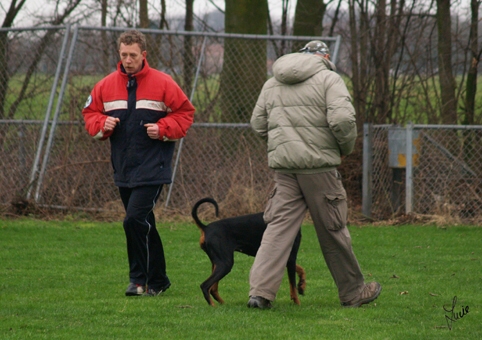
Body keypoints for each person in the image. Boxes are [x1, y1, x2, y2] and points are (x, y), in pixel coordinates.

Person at [247, 40, 381, 309]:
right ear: (325, 57)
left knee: (277, 230)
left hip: (285, 170)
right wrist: (345, 148)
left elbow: (258, 123)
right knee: (333, 229)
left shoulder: (273, 82)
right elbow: (342, 121)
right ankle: (354, 293)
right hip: (319, 168)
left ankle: (260, 294)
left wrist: (283, 145)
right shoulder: (329, 79)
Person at [82, 30, 195, 296]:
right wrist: (103, 124)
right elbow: (90, 114)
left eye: (133, 55)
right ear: (119, 54)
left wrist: (163, 128)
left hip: (153, 167)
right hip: (123, 167)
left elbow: (185, 114)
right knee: (145, 223)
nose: (128, 60)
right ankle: (159, 281)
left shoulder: (163, 83)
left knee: (133, 220)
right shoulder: (105, 85)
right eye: (124, 55)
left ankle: (138, 280)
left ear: (143, 55)